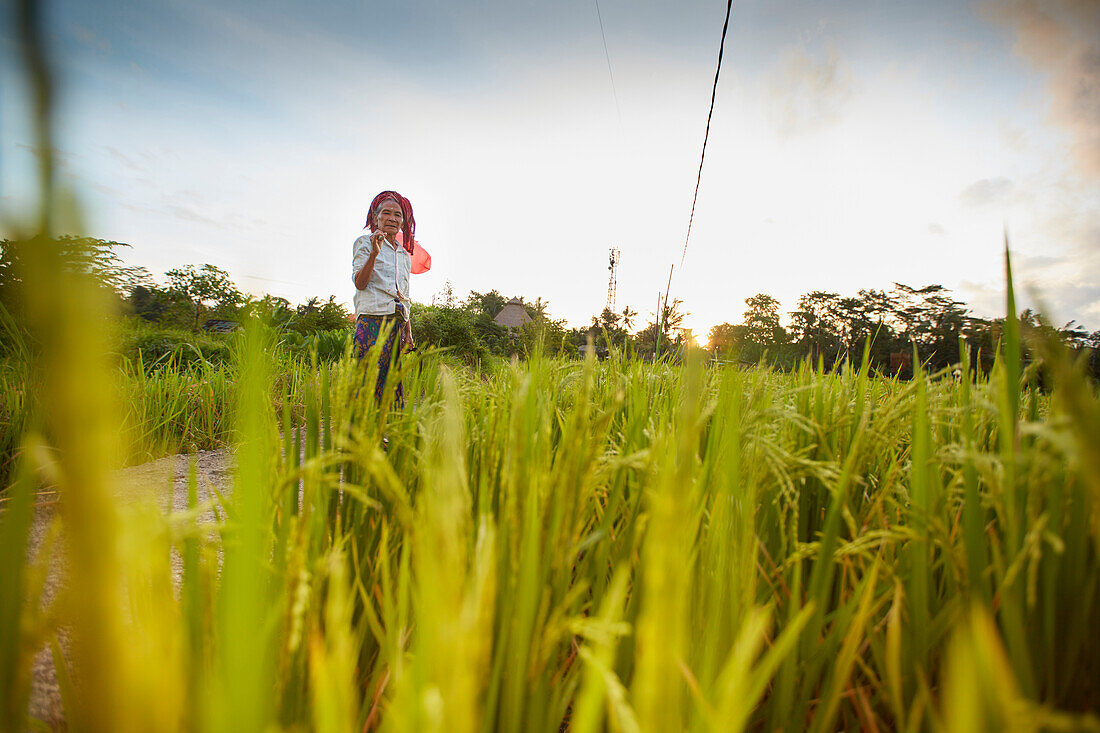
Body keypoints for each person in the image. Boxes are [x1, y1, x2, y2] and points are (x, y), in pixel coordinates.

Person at [352, 190, 419, 404]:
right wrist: (374, 252)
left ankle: (384, 431)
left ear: (403, 221)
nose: (392, 218)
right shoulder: (364, 243)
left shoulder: (403, 254)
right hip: (371, 318)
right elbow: (360, 283)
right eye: (387, 213)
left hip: (396, 323)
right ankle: (359, 431)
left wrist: (408, 331)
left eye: (397, 214)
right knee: (366, 376)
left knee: (390, 379)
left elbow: (405, 295)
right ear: (376, 217)